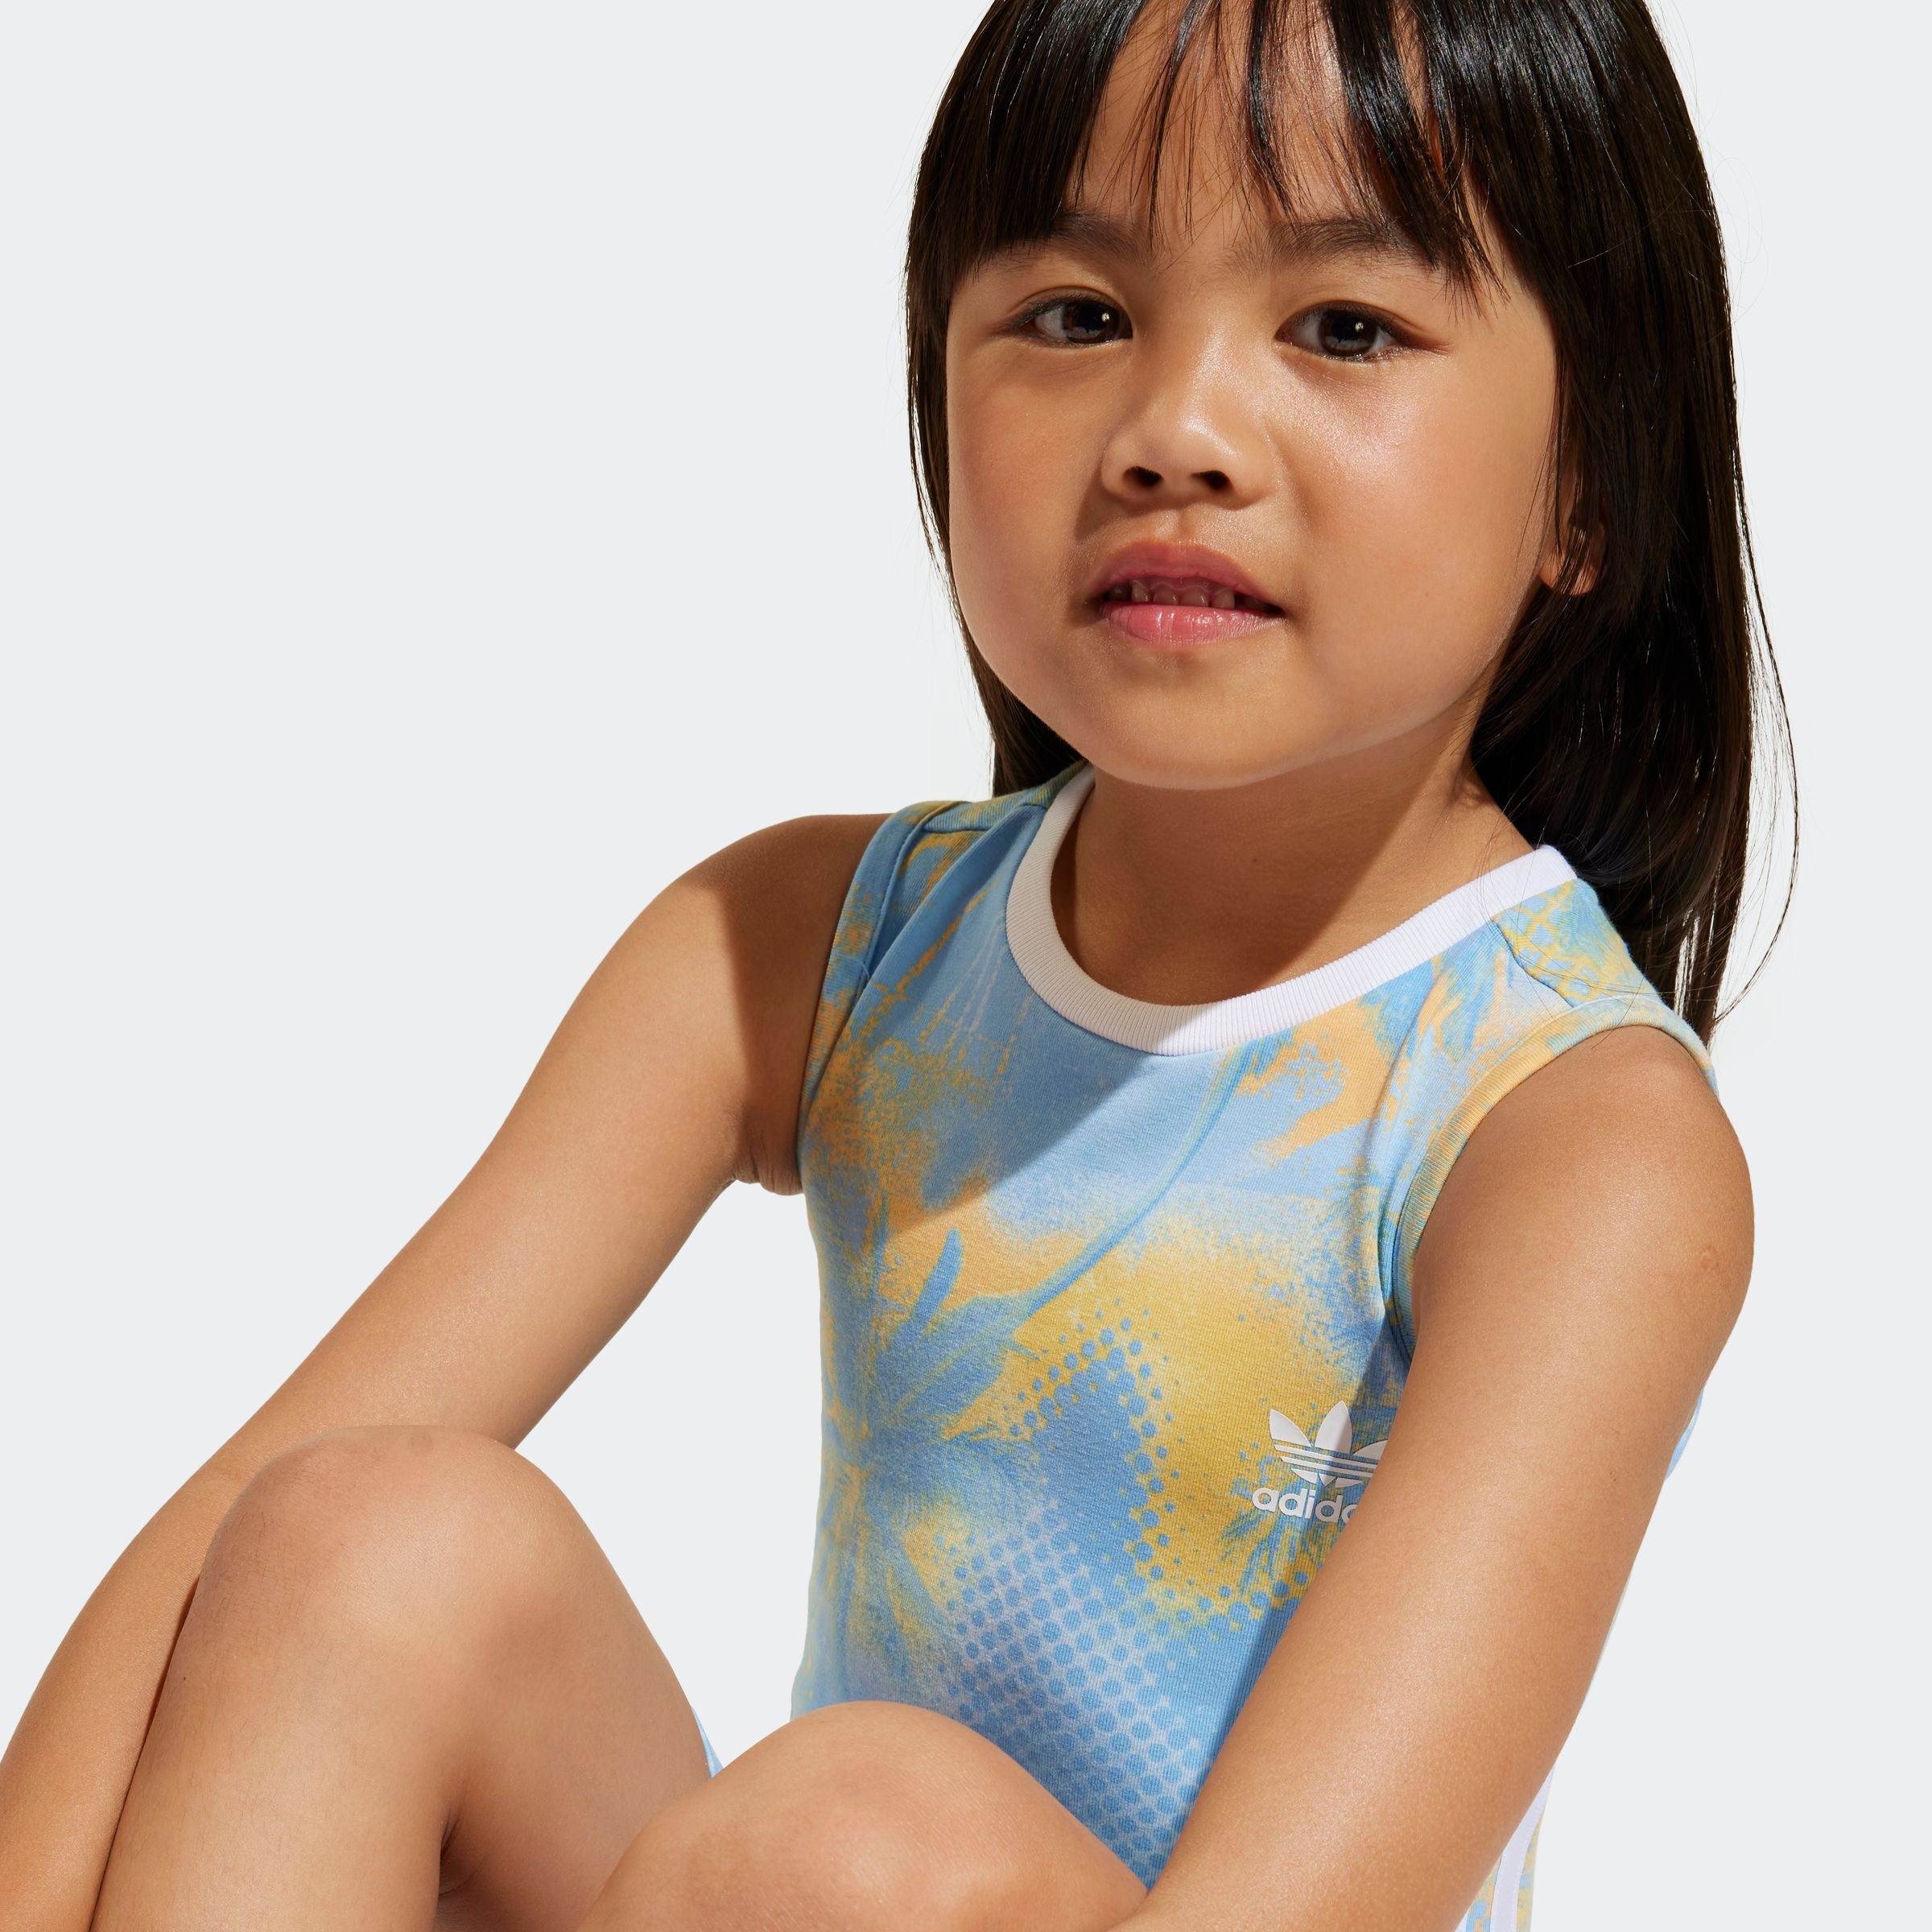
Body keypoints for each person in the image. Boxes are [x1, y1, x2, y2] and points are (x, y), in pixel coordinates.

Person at [0, 0, 1793, 1926]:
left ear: (1592, 483)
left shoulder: (1569, 1135)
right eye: (1077, 314)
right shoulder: (810, 951)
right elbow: (225, 1543)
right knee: (363, 1541)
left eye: (1344, 327)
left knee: (851, 1832)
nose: (1175, 434)